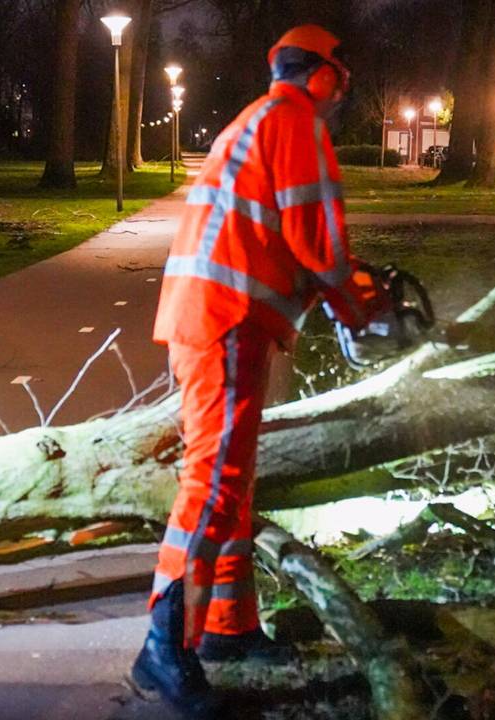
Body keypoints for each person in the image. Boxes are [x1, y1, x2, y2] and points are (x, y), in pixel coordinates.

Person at [133, 24, 387, 718]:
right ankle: (162, 645)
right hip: (225, 318)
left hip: (226, 317)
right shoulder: (294, 120)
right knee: (213, 484)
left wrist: (342, 292)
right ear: (325, 75)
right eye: (340, 77)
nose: (341, 92)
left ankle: (226, 626)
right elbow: (316, 239)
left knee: (234, 486)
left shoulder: (261, 118)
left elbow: (285, 237)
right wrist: (358, 304)